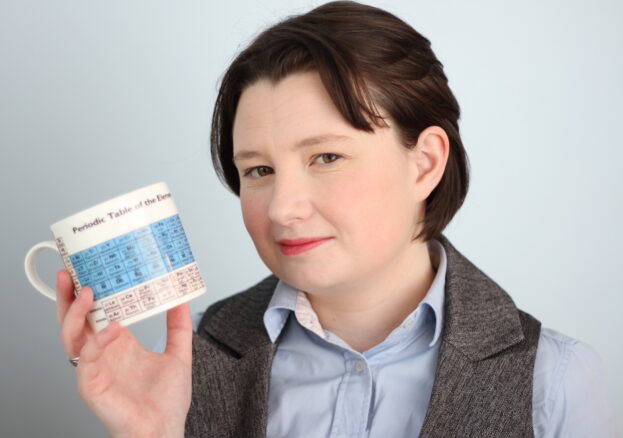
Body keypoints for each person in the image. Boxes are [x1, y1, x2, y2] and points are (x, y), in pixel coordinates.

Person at [55, 1, 616, 437]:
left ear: (425, 163)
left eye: (326, 157)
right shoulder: (193, 355)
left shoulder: (554, 379)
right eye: (258, 170)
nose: (281, 208)